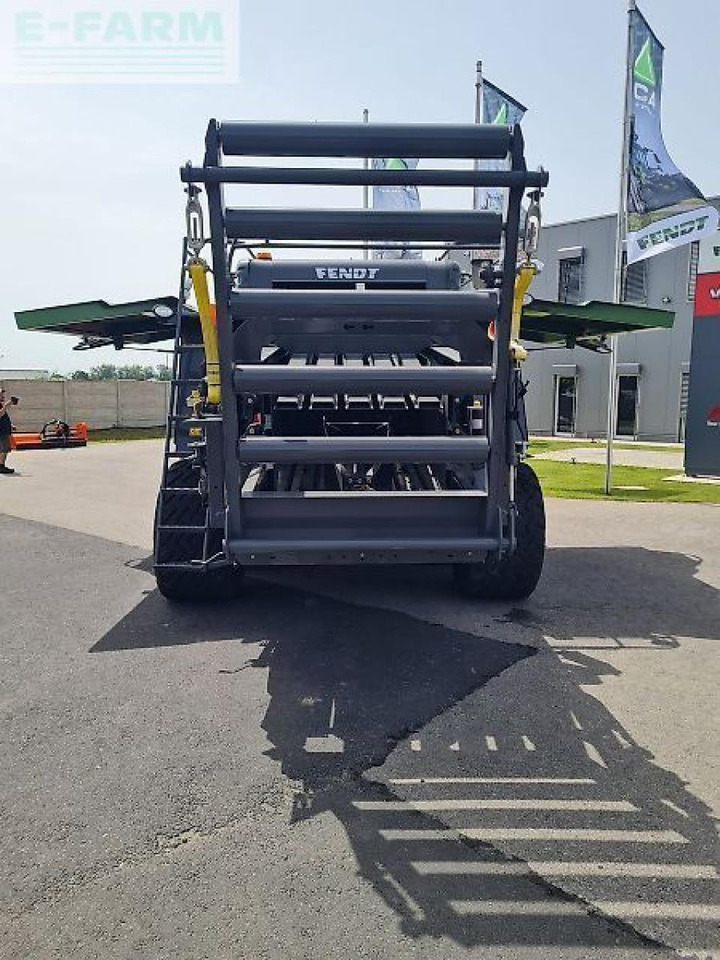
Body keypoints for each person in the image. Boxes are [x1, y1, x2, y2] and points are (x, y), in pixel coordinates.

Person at [0, 388, 18, 475]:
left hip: (3, 430)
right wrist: (7, 405)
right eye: (1, 394)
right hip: (1, 432)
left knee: (3, 449)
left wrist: (11, 426)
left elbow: (3, 418)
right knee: (4, 449)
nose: (3, 396)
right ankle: (1, 466)